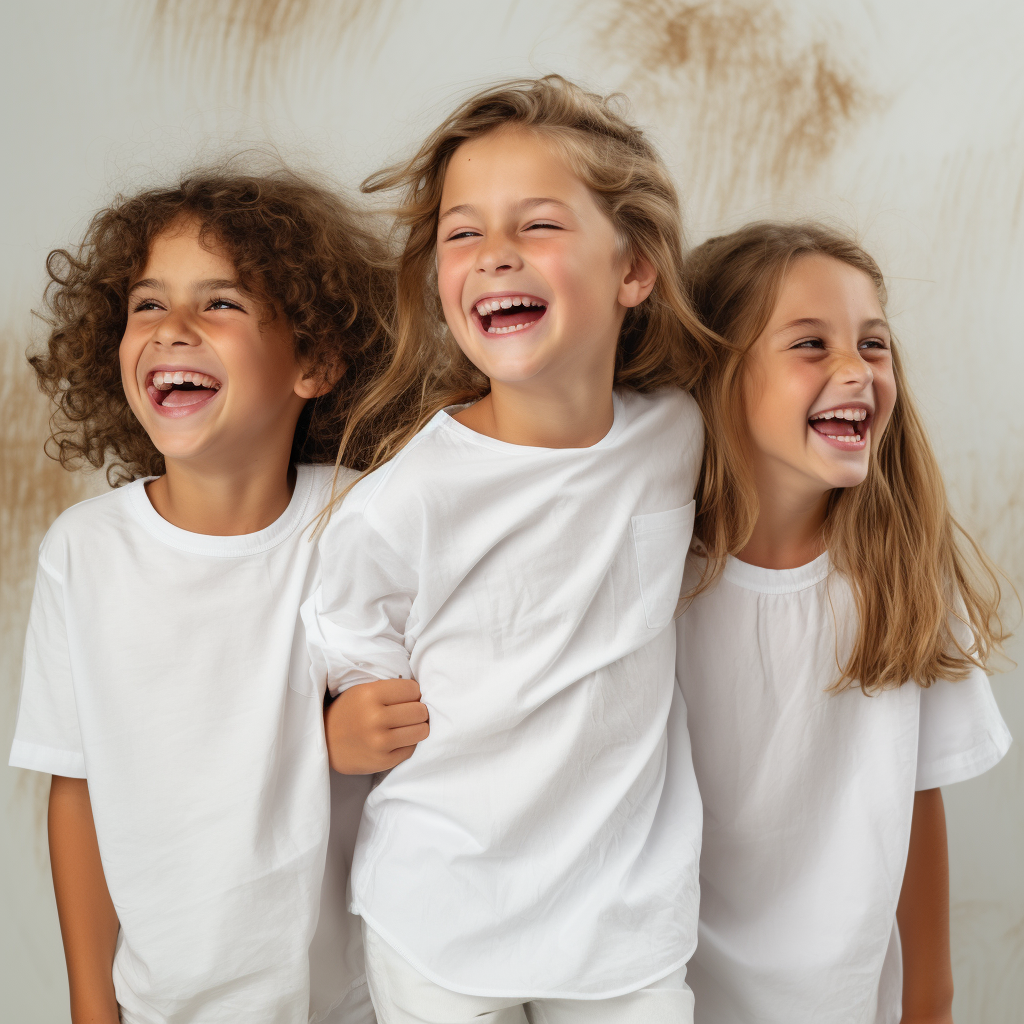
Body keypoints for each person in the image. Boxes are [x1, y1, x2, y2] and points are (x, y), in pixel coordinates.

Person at [303, 75, 711, 1024]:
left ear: (634, 270)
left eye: (537, 226)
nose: (494, 257)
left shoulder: (677, 435)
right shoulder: (407, 498)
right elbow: (345, 631)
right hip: (445, 911)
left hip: (625, 918)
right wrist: (347, 719)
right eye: (462, 233)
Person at [9, 168, 407, 1024]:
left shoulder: (363, 521)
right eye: (147, 305)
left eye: (220, 304)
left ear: (316, 360)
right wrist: (90, 1000)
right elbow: (76, 787)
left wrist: (357, 727)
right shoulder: (86, 554)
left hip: (350, 1002)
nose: (172, 329)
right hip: (160, 1002)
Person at [676, 221, 1012, 1024]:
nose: (856, 371)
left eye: (873, 345)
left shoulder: (899, 573)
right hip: (664, 998)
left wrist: (930, 1005)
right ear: (719, 371)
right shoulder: (656, 574)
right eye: (810, 345)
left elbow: (914, 795)